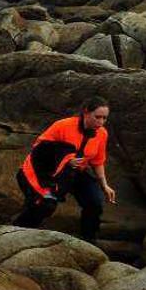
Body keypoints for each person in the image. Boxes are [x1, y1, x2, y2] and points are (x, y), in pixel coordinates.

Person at [13, 96, 117, 243]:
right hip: (49, 171)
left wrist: (104, 185)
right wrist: (66, 159)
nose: (100, 122)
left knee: (94, 202)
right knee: (45, 204)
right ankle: (15, 233)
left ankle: (88, 240)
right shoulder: (63, 126)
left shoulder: (102, 133)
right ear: (86, 112)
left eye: (104, 118)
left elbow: (98, 161)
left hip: (76, 173)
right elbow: (39, 150)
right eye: (97, 117)